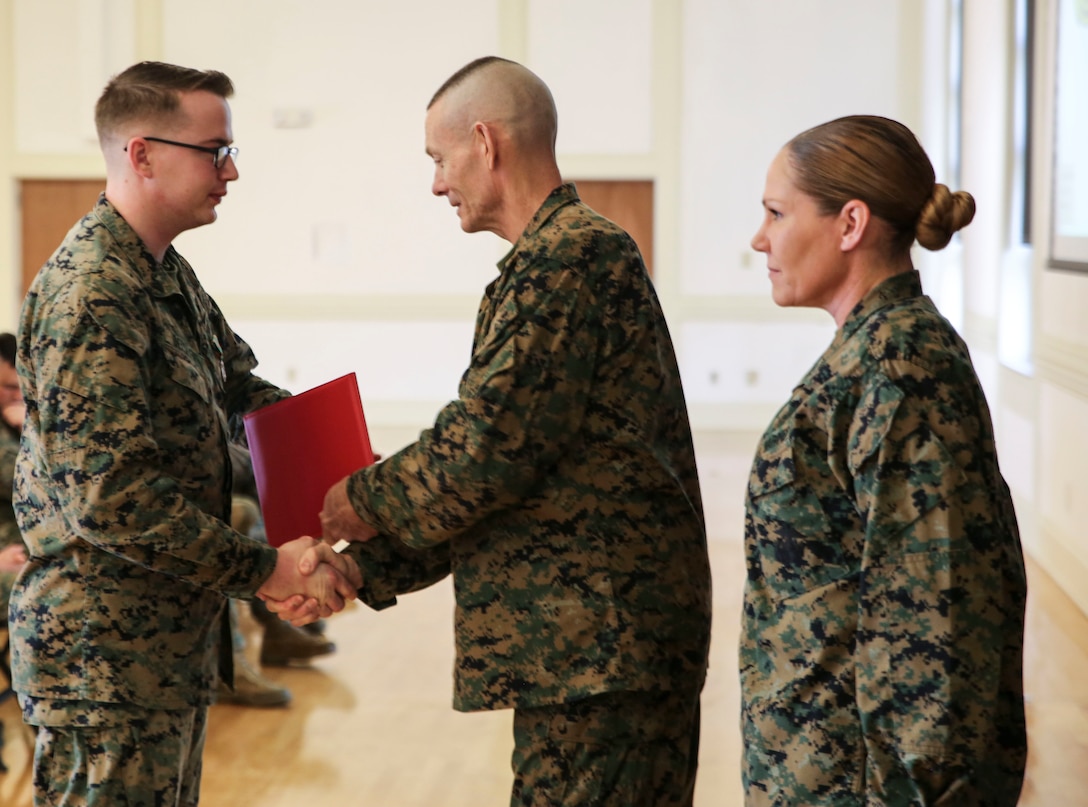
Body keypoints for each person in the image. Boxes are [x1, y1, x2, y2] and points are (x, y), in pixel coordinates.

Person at [274, 56, 713, 806]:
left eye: (439, 159)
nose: (437, 183)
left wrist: (356, 502)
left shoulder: (569, 259)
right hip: (590, 655)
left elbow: (483, 452)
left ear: (485, 142)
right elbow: (506, 475)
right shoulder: (550, 262)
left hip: (602, 656)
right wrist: (364, 570)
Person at [10, 61, 360, 806]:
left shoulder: (164, 274)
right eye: (214, 150)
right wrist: (264, 568)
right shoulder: (91, 293)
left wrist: (352, 473)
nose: (230, 171)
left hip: (162, 646)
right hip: (101, 655)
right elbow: (113, 500)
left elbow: (243, 393)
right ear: (142, 153)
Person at [741, 115, 1028, 805]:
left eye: (777, 213)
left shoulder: (900, 366)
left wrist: (916, 787)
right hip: (821, 768)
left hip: (859, 782)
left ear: (850, 224)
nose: (760, 238)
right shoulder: (873, 350)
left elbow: (935, 612)